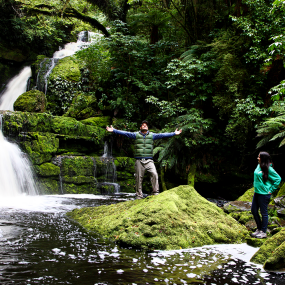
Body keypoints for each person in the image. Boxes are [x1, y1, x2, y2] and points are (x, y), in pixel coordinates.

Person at [106, 120, 182, 199]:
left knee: (154, 174)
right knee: (138, 178)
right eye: (143, 125)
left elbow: (162, 135)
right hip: (139, 160)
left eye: (146, 125)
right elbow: (125, 133)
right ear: (140, 127)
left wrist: (174, 133)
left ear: (148, 127)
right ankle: (139, 195)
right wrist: (114, 130)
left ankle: (155, 192)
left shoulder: (152, 135)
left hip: (149, 160)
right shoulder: (136, 135)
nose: (145, 126)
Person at [251, 152, 281, 239]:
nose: (257, 158)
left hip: (264, 194)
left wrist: (271, 190)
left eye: (259, 157)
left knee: (264, 213)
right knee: (254, 210)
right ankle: (259, 229)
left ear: (263, 158)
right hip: (257, 192)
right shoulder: (258, 165)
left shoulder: (269, 169)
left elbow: (278, 179)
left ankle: (263, 232)